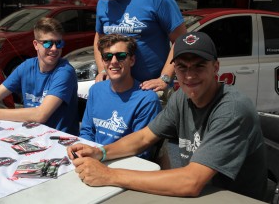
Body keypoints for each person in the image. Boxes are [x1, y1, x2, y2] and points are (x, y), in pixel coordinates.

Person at [67, 32, 267, 201]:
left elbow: (192, 182)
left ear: (215, 67)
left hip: (233, 198)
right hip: (200, 191)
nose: (189, 76)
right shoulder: (181, 97)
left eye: (199, 66)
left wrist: (108, 175)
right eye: (182, 67)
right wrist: (100, 153)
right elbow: (144, 137)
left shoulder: (231, 109)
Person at [0, 18, 80, 135]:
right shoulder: (27, 66)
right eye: (47, 43)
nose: (54, 48)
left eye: (59, 43)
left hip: (59, 140)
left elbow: (41, 114)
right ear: (35, 44)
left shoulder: (65, 72)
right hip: (34, 134)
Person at [90, 0, 187, 102]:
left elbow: (181, 39)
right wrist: (102, 70)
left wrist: (164, 78)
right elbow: (99, 38)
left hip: (152, 94)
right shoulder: (103, 3)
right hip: (116, 92)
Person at [79, 34, 162, 159]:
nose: (114, 61)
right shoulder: (96, 90)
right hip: (93, 158)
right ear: (102, 61)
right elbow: (87, 131)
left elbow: (141, 150)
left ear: (132, 60)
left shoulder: (147, 100)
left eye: (121, 56)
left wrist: (100, 156)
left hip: (124, 165)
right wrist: (85, 154)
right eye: (107, 57)